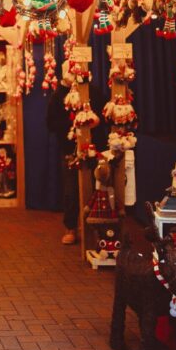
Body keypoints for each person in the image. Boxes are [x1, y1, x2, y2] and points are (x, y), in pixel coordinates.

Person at [46, 77, 107, 245]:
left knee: (97, 189)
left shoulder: (93, 92)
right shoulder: (59, 96)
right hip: (70, 150)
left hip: (95, 148)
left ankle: (94, 228)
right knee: (71, 190)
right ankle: (71, 227)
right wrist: (73, 124)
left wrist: (93, 122)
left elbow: (103, 116)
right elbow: (51, 123)